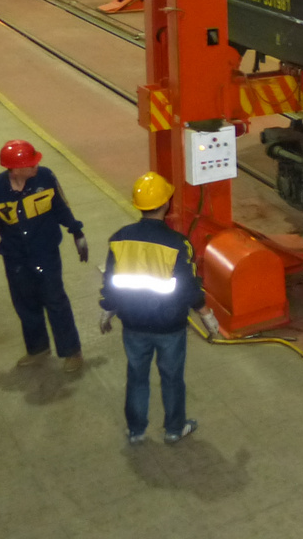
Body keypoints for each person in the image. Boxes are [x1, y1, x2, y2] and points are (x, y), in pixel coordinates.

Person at [99, 171, 220, 446]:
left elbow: (112, 280)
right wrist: (206, 315)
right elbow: (189, 287)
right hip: (169, 327)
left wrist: (108, 308)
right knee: (172, 378)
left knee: (137, 377)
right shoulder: (179, 244)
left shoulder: (119, 238)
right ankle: (175, 429)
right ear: (166, 204)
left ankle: (136, 430)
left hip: (133, 324)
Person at [0, 139, 88, 372]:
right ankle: (37, 348)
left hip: (46, 253)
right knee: (25, 304)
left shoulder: (45, 178)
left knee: (56, 301)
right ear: (15, 168)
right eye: (31, 164)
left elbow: (61, 206)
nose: (36, 166)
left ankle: (72, 351)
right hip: (16, 258)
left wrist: (76, 231)